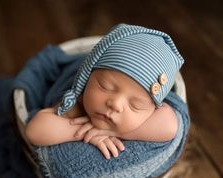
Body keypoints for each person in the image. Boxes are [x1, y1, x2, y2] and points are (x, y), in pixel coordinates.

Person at [25, 24, 184, 160]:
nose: (115, 104)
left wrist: (118, 132)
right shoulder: (77, 102)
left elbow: (170, 126)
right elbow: (35, 130)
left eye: (135, 105)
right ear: (88, 77)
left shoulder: (153, 116)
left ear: (153, 110)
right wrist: (79, 131)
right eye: (105, 86)